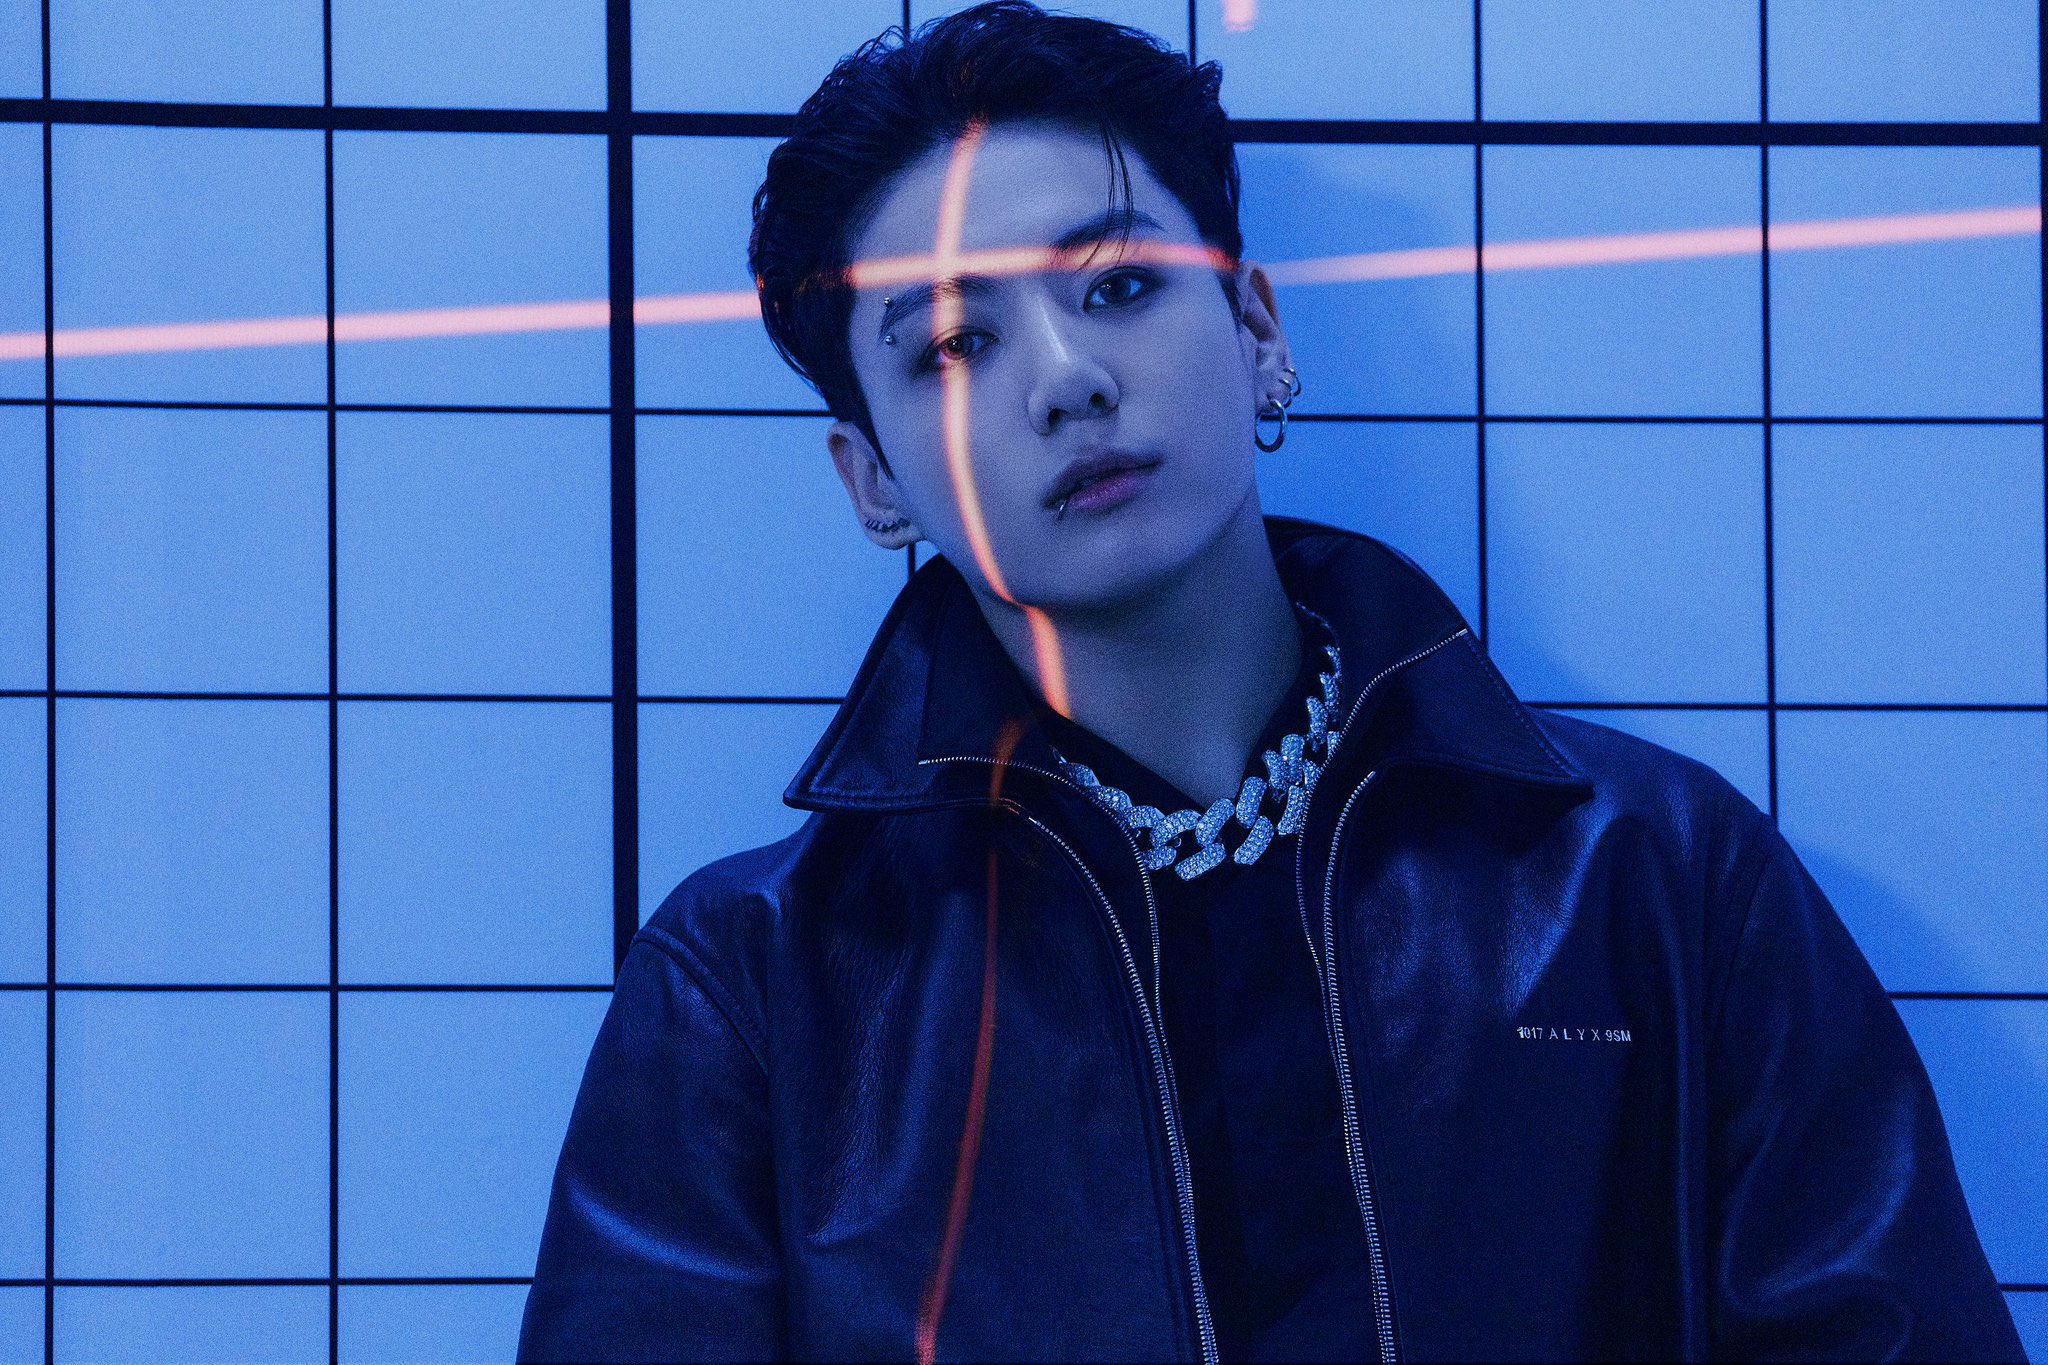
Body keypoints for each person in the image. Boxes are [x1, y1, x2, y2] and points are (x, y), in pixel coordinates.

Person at [516, 4, 2025, 1361]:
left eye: (1119, 286)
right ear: (873, 481)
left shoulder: (1656, 877)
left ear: (1255, 330)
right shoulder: (756, 985)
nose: (1066, 378)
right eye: (957, 343)